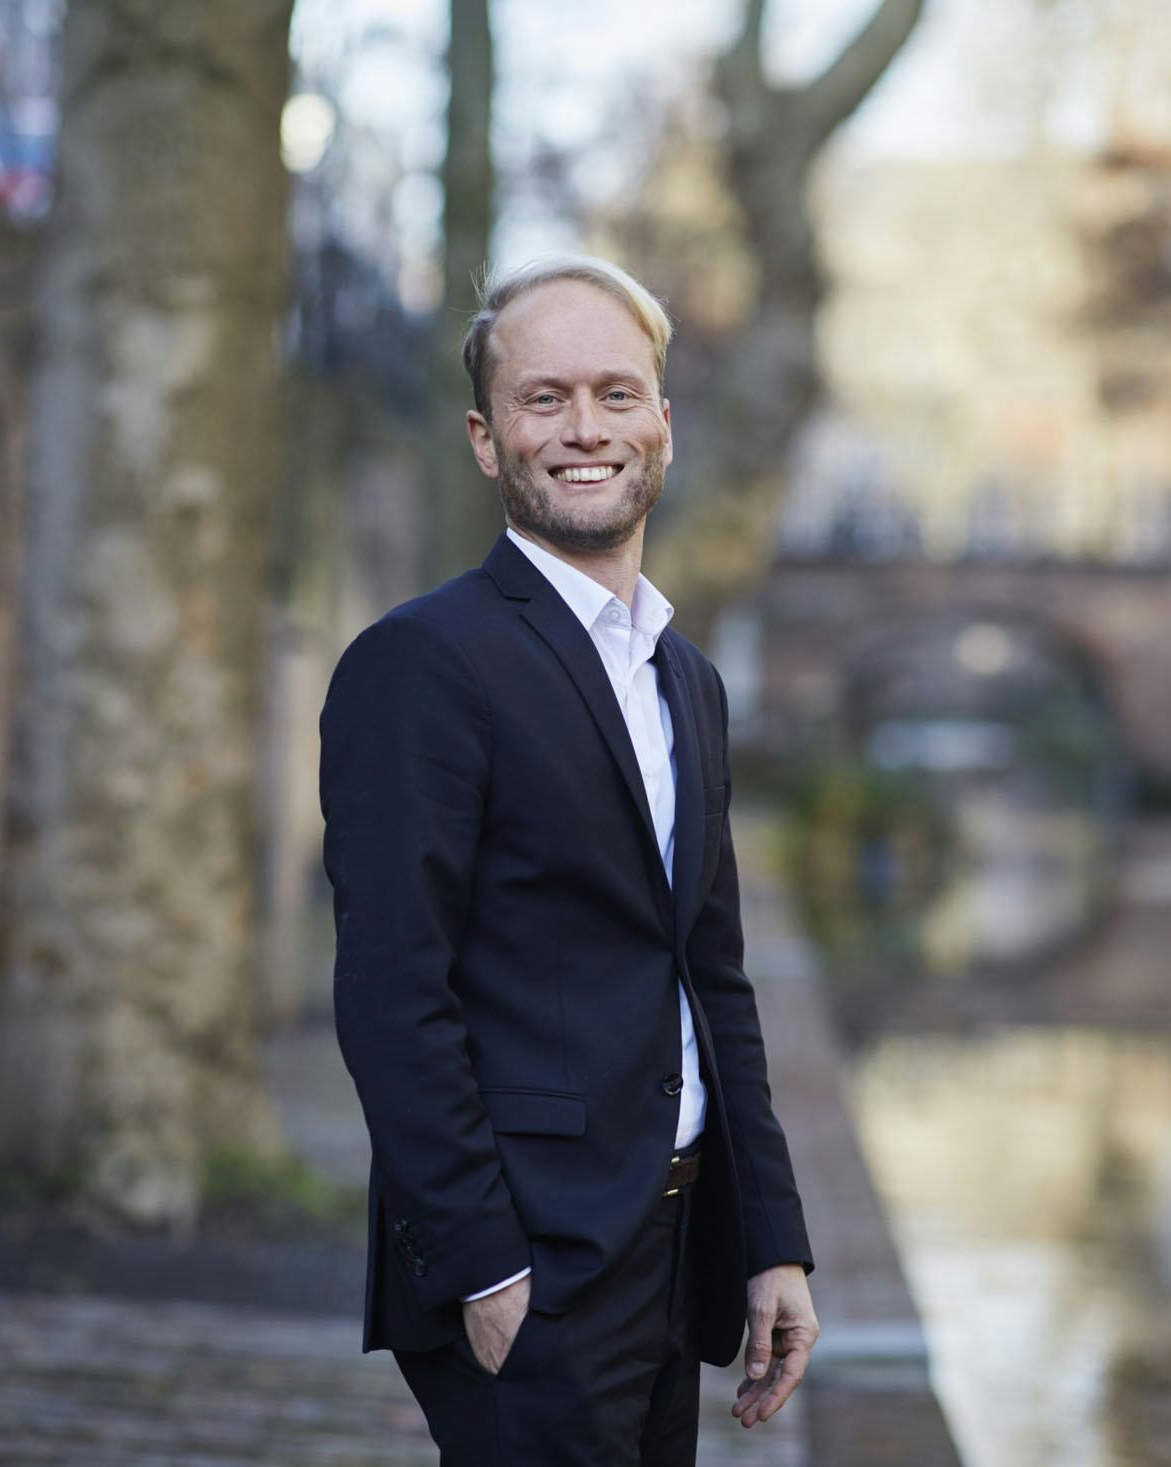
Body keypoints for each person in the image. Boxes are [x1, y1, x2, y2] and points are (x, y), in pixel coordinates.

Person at [319, 254, 817, 1465]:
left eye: (614, 393)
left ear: (662, 424)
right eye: (543, 400)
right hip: (527, 1266)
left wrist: (771, 1237)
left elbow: (714, 976)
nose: (583, 428)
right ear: (488, 441)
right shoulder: (421, 664)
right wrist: (483, 1265)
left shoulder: (683, 679)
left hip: (675, 1250)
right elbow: (392, 990)